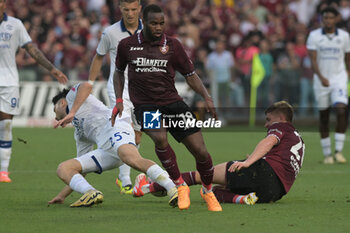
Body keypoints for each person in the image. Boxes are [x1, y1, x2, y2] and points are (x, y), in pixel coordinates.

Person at [111, 4, 222, 212]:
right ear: (144, 22)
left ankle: (207, 191)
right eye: (154, 23)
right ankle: (180, 185)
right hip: (146, 106)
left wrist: (206, 96)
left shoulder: (173, 45)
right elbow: (118, 72)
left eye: (162, 23)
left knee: (201, 152)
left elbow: (190, 75)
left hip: (173, 103)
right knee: (160, 138)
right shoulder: (126, 45)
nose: (159, 27)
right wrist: (119, 100)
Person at [135, 101, 305, 204]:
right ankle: (242, 199)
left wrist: (248, 163)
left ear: (282, 118)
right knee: (213, 191)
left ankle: (147, 188)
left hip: (263, 173)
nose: (266, 125)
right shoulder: (298, 139)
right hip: (274, 192)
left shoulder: (281, 127)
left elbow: (268, 142)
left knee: (201, 176)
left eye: (268, 120)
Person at [48, 82, 178, 208]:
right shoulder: (79, 134)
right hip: (106, 151)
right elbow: (80, 172)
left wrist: (72, 112)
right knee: (64, 168)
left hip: (115, 125)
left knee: (131, 158)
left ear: (62, 103)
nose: (56, 117)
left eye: (55, 111)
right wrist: (62, 196)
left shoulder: (71, 98)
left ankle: (172, 188)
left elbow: (87, 86)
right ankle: (90, 192)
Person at [0, 0, 68, 183]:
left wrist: (52, 69)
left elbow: (32, 49)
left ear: (4, 3)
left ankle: (3, 172)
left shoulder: (15, 25)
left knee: (5, 126)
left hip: (8, 82)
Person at [88, 0, 143, 195]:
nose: (130, 13)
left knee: (137, 135)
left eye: (134, 9)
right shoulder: (110, 32)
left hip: (143, 91)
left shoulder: (149, 31)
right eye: (126, 9)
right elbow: (99, 56)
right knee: (126, 131)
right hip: (119, 90)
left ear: (140, 9)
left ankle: (123, 174)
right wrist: (90, 83)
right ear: (120, 9)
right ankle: (125, 180)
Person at [306, 7, 350, 164]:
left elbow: (348, 57)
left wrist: (347, 75)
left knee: (341, 109)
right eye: (325, 18)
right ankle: (327, 155)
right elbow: (312, 59)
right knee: (324, 116)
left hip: (339, 79)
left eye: (331, 18)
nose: (328, 20)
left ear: (336, 19)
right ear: (322, 19)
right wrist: (321, 77)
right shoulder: (314, 36)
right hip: (321, 80)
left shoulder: (344, 36)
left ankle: (338, 151)